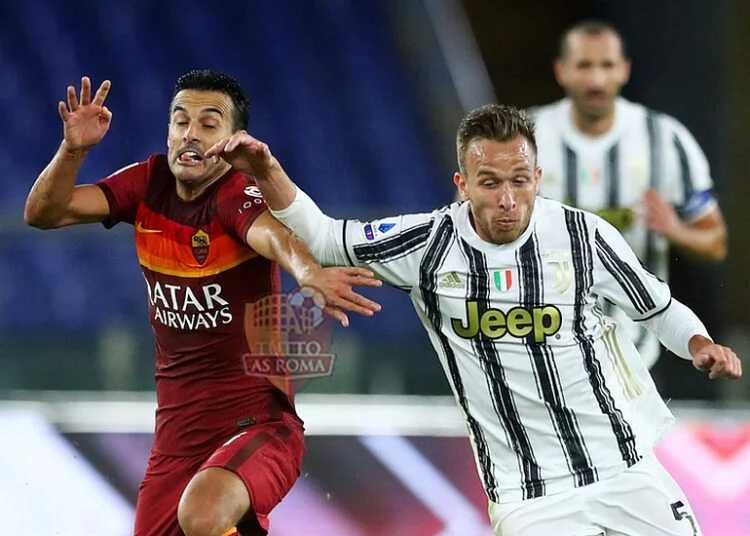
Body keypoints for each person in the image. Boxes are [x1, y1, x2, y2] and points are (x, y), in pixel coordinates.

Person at [205, 104, 741, 535]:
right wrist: (267, 170)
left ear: (538, 177)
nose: (507, 200)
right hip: (528, 495)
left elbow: (658, 308)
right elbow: (324, 238)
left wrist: (697, 343)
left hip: (624, 467)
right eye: (489, 183)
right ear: (462, 183)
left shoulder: (583, 236)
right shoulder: (428, 244)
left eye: (519, 181)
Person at [24, 70, 383, 536]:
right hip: (176, 440)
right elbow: (43, 214)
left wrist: (310, 272)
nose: (190, 134)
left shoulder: (236, 195)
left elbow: (276, 237)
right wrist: (73, 151)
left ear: (232, 143)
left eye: (209, 124)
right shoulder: (146, 184)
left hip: (258, 427)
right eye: (180, 121)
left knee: (203, 514)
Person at [526, 20, 728, 370]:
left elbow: (716, 243)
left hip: (641, 352)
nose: (597, 80)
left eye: (606, 66)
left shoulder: (665, 139)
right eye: (585, 66)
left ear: (624, 70)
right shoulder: (527, 137)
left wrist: (676, 230)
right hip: (542, 344)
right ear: (562, 71)